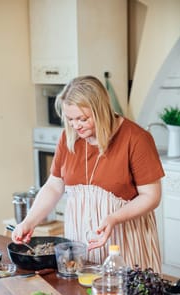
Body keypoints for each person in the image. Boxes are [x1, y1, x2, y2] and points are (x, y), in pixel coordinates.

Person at [12, 75, 165, 273]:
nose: (76, 125)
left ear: (101, 111)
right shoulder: (69, 138)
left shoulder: (136, 139)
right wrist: (28, 222)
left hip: (125, 242)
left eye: (82, 119)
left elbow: (151, 196)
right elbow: (53, 185)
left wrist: (113, 218)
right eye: (70, 119)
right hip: (81, 243)